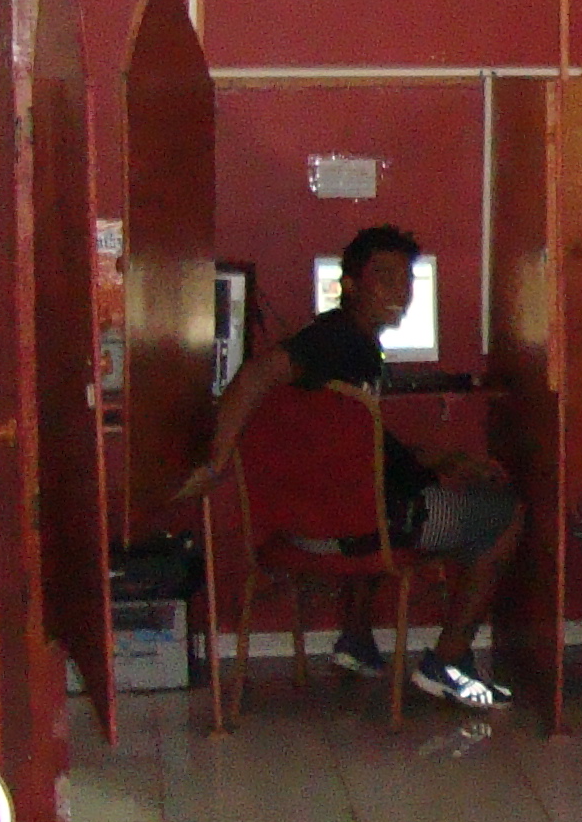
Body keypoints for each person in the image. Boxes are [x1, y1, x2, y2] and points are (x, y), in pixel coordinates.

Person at [181, 224, 522, 708]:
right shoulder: (337, 342)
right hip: (358, 532)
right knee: (504, 514)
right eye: (385, 277)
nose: (400, 291)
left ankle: (357, 641)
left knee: (378, 496)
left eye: (406, 280)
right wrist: (215, 462)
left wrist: (446, 461)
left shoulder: (345, 348)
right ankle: (448, 662)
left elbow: (369, 454)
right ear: (350, 284)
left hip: (302, 529)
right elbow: (256, 373)